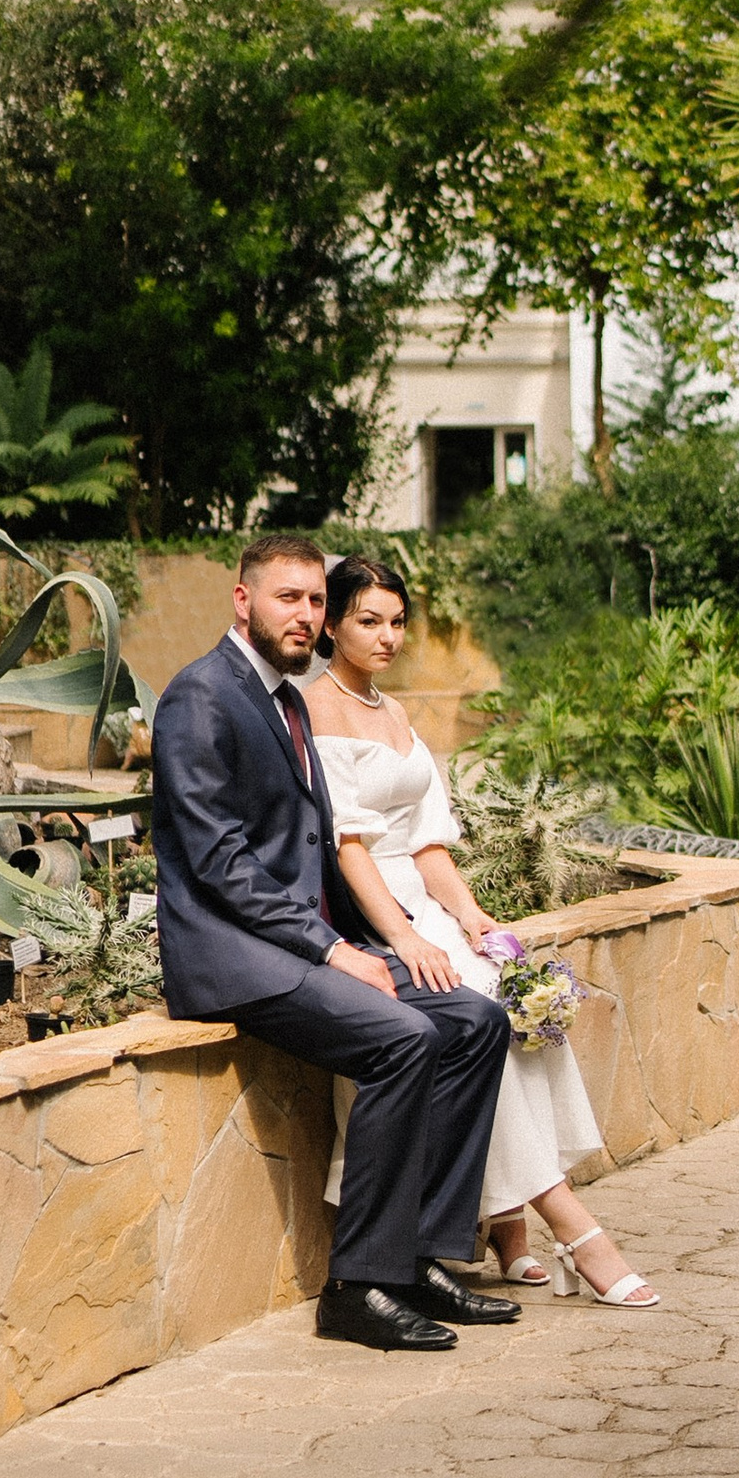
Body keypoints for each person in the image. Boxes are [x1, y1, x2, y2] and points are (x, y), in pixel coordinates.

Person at [148, 533, 515, 1355]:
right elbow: (220, 863)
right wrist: (328, 948)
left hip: (304, 944)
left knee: (475, 1021)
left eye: (316, 600)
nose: (307, 614)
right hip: (233, 955)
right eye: (289, 598)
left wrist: (390, 935)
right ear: (243, 600)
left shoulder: (283, 697)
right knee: (402, 1036)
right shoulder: (201, 697)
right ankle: (357, 1287)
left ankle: (418, 1254)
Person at [306, 554, 659, 1309]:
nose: (387, 635)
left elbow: (428, 842)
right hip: (371, 914)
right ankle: (568, 1222)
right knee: (473, 1014)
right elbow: (349, 845)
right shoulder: (316, 710)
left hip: (423, 906)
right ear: (331, 623)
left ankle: (506, 1223)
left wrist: (470, 916)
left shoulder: (393, 713)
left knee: (511, 996)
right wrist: (404, 936)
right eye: (369, 619)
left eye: (397, 621)